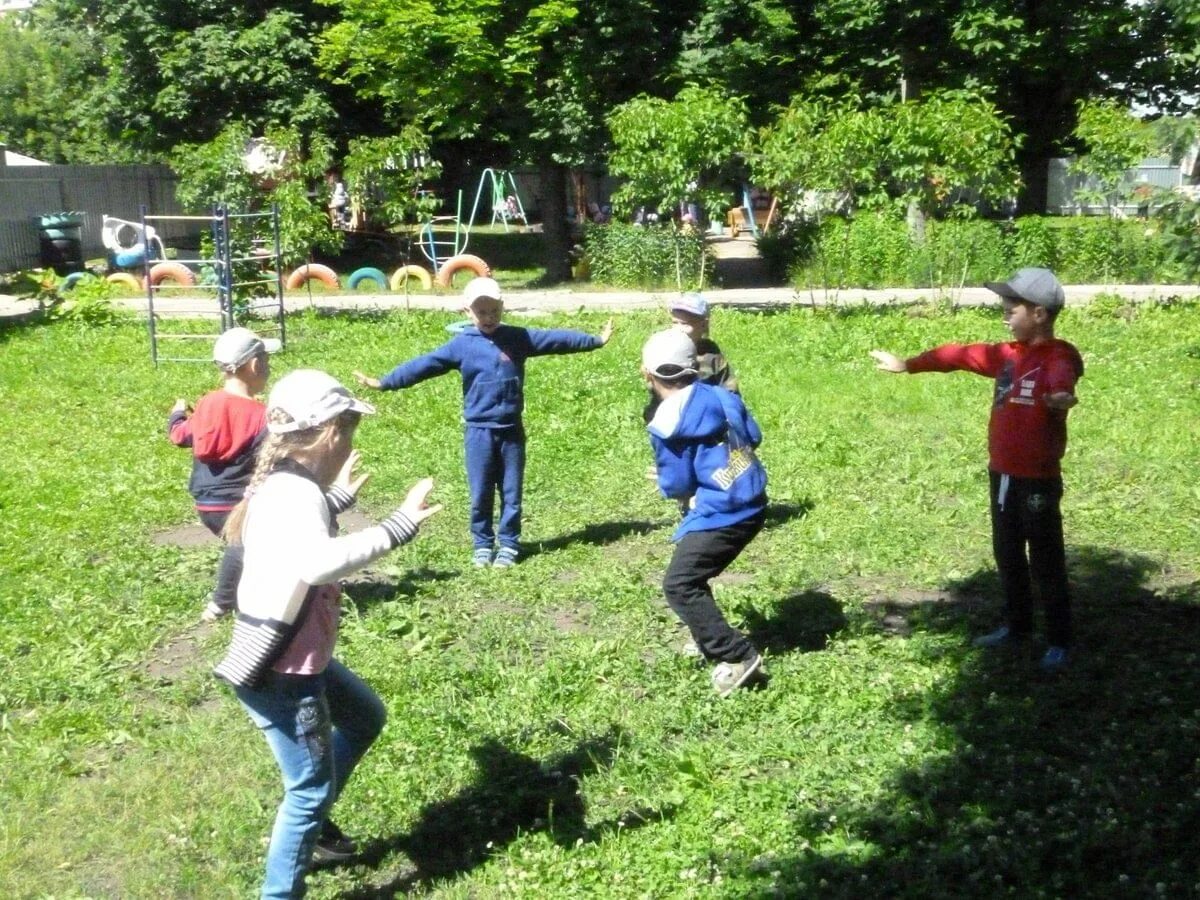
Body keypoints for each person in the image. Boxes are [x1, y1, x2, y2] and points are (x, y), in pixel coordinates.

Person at [213, 369, 441, 899]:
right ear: (332, 433)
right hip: (285, 670)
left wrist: (333, 501)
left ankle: (309, 834)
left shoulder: (288, 485)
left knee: (365, 716)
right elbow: (316, 562)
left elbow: (288, 537)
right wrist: (398, 525)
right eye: (351, 430)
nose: (351, 442)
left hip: (292, 658)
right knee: (309, 792)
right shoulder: (295, 494)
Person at [869, 267, 1083, 673]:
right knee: (1007, 553)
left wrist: (1060, 397)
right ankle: (1017, 628)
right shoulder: (1007, 355)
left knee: (1046, 559)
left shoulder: (1058, 355)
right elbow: (959, 355)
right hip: (1002, 474)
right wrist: (909, 364)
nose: (1004, 313)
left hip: (1037, 477)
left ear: (1039, 314)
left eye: (1012, 307)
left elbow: (1061, 380)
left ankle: (1059, 639)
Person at [354, 276, 613, 569]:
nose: (488, 318)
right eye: (481, 312)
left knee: (512, 493)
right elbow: (424, 364)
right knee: (481, 492)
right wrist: (385, 382)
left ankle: (509, 544)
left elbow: (555, 339)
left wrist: (594, 341)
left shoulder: (518, 338)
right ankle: (482, 544)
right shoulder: (461, 345)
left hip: (511, 432)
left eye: (493, 311)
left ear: (502, 307)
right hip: (478, 432)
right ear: (468, 312)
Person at [642, 328, 769, 697]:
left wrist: (668, 483)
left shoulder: (666, 421)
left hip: (723, 515)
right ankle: (707, 634)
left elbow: (679, 482)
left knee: (680, 584)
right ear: (694, 367)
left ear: (647, 375)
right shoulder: (720, 394)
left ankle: (737, 655)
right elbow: (753, 435)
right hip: (753, 501)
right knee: (693, 575)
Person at [168, 327, 280, 621]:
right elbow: (273, 458)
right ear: (255, 365)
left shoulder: (206, 405)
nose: (268, 367)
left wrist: (178, 413)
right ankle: (221, 602)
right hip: (236, 504)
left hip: (205, 504)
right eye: (266, 361)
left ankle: (257, 583)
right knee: (242, 544)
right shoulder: (260, 416)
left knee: (253, 546)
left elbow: (180, 436)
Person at [643, 292, 736, 426]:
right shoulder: (666, 349)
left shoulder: (711, 354)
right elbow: (656, 387)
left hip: (704, 415)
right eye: (675, 322)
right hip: (668, 416)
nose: (678, 329)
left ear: (703, 325)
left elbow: (729, 390)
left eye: (685, 324)